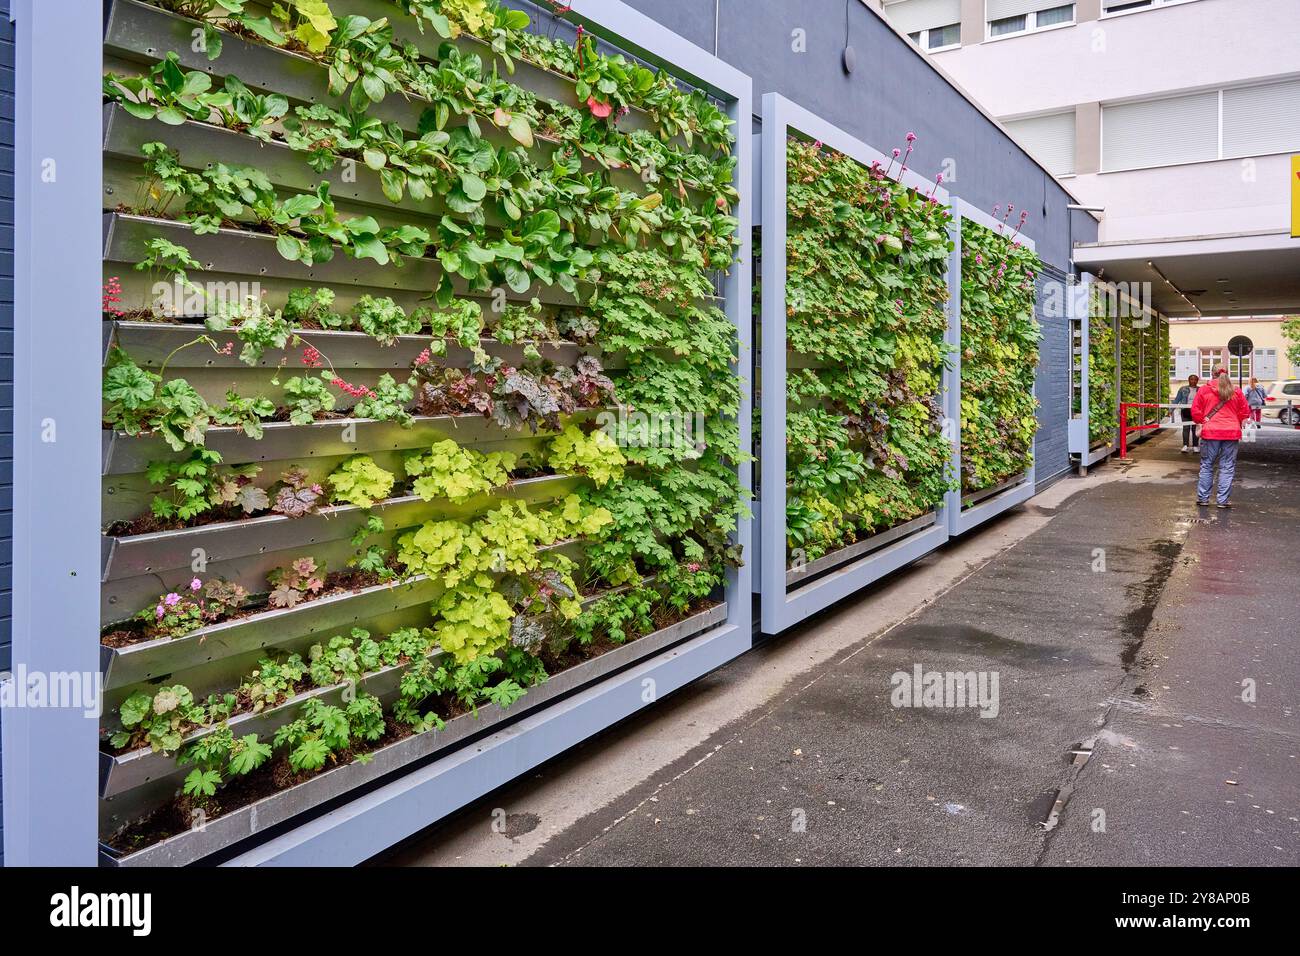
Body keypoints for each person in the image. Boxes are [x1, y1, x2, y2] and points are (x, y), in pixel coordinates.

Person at [1191, 368, 1250, 509]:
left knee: (1207, 465)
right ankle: (1222, 500)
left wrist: (1202, 421)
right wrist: (1238, 421)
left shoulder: (1204, 390)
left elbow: (1195, 411)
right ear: (1227, 373)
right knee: (1227, 466)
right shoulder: (1236, 390)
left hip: (1210, 432)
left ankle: (1203, 498)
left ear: (1212, 374)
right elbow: (1244, 411)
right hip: (1231, 432)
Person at [1171, 374, 1199, 452]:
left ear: (1197, 381)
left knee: (1195, 429)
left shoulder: (1200, 390)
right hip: (1185, 411)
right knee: (1186, 428)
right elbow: (1177, 400)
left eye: (1195, 379)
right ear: (1188, 380)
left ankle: (1195, 446)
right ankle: (1185, 445)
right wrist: (1171, 410)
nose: (1193, 381)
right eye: (1191, 379)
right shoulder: (1183, 389)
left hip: (1196, 411)